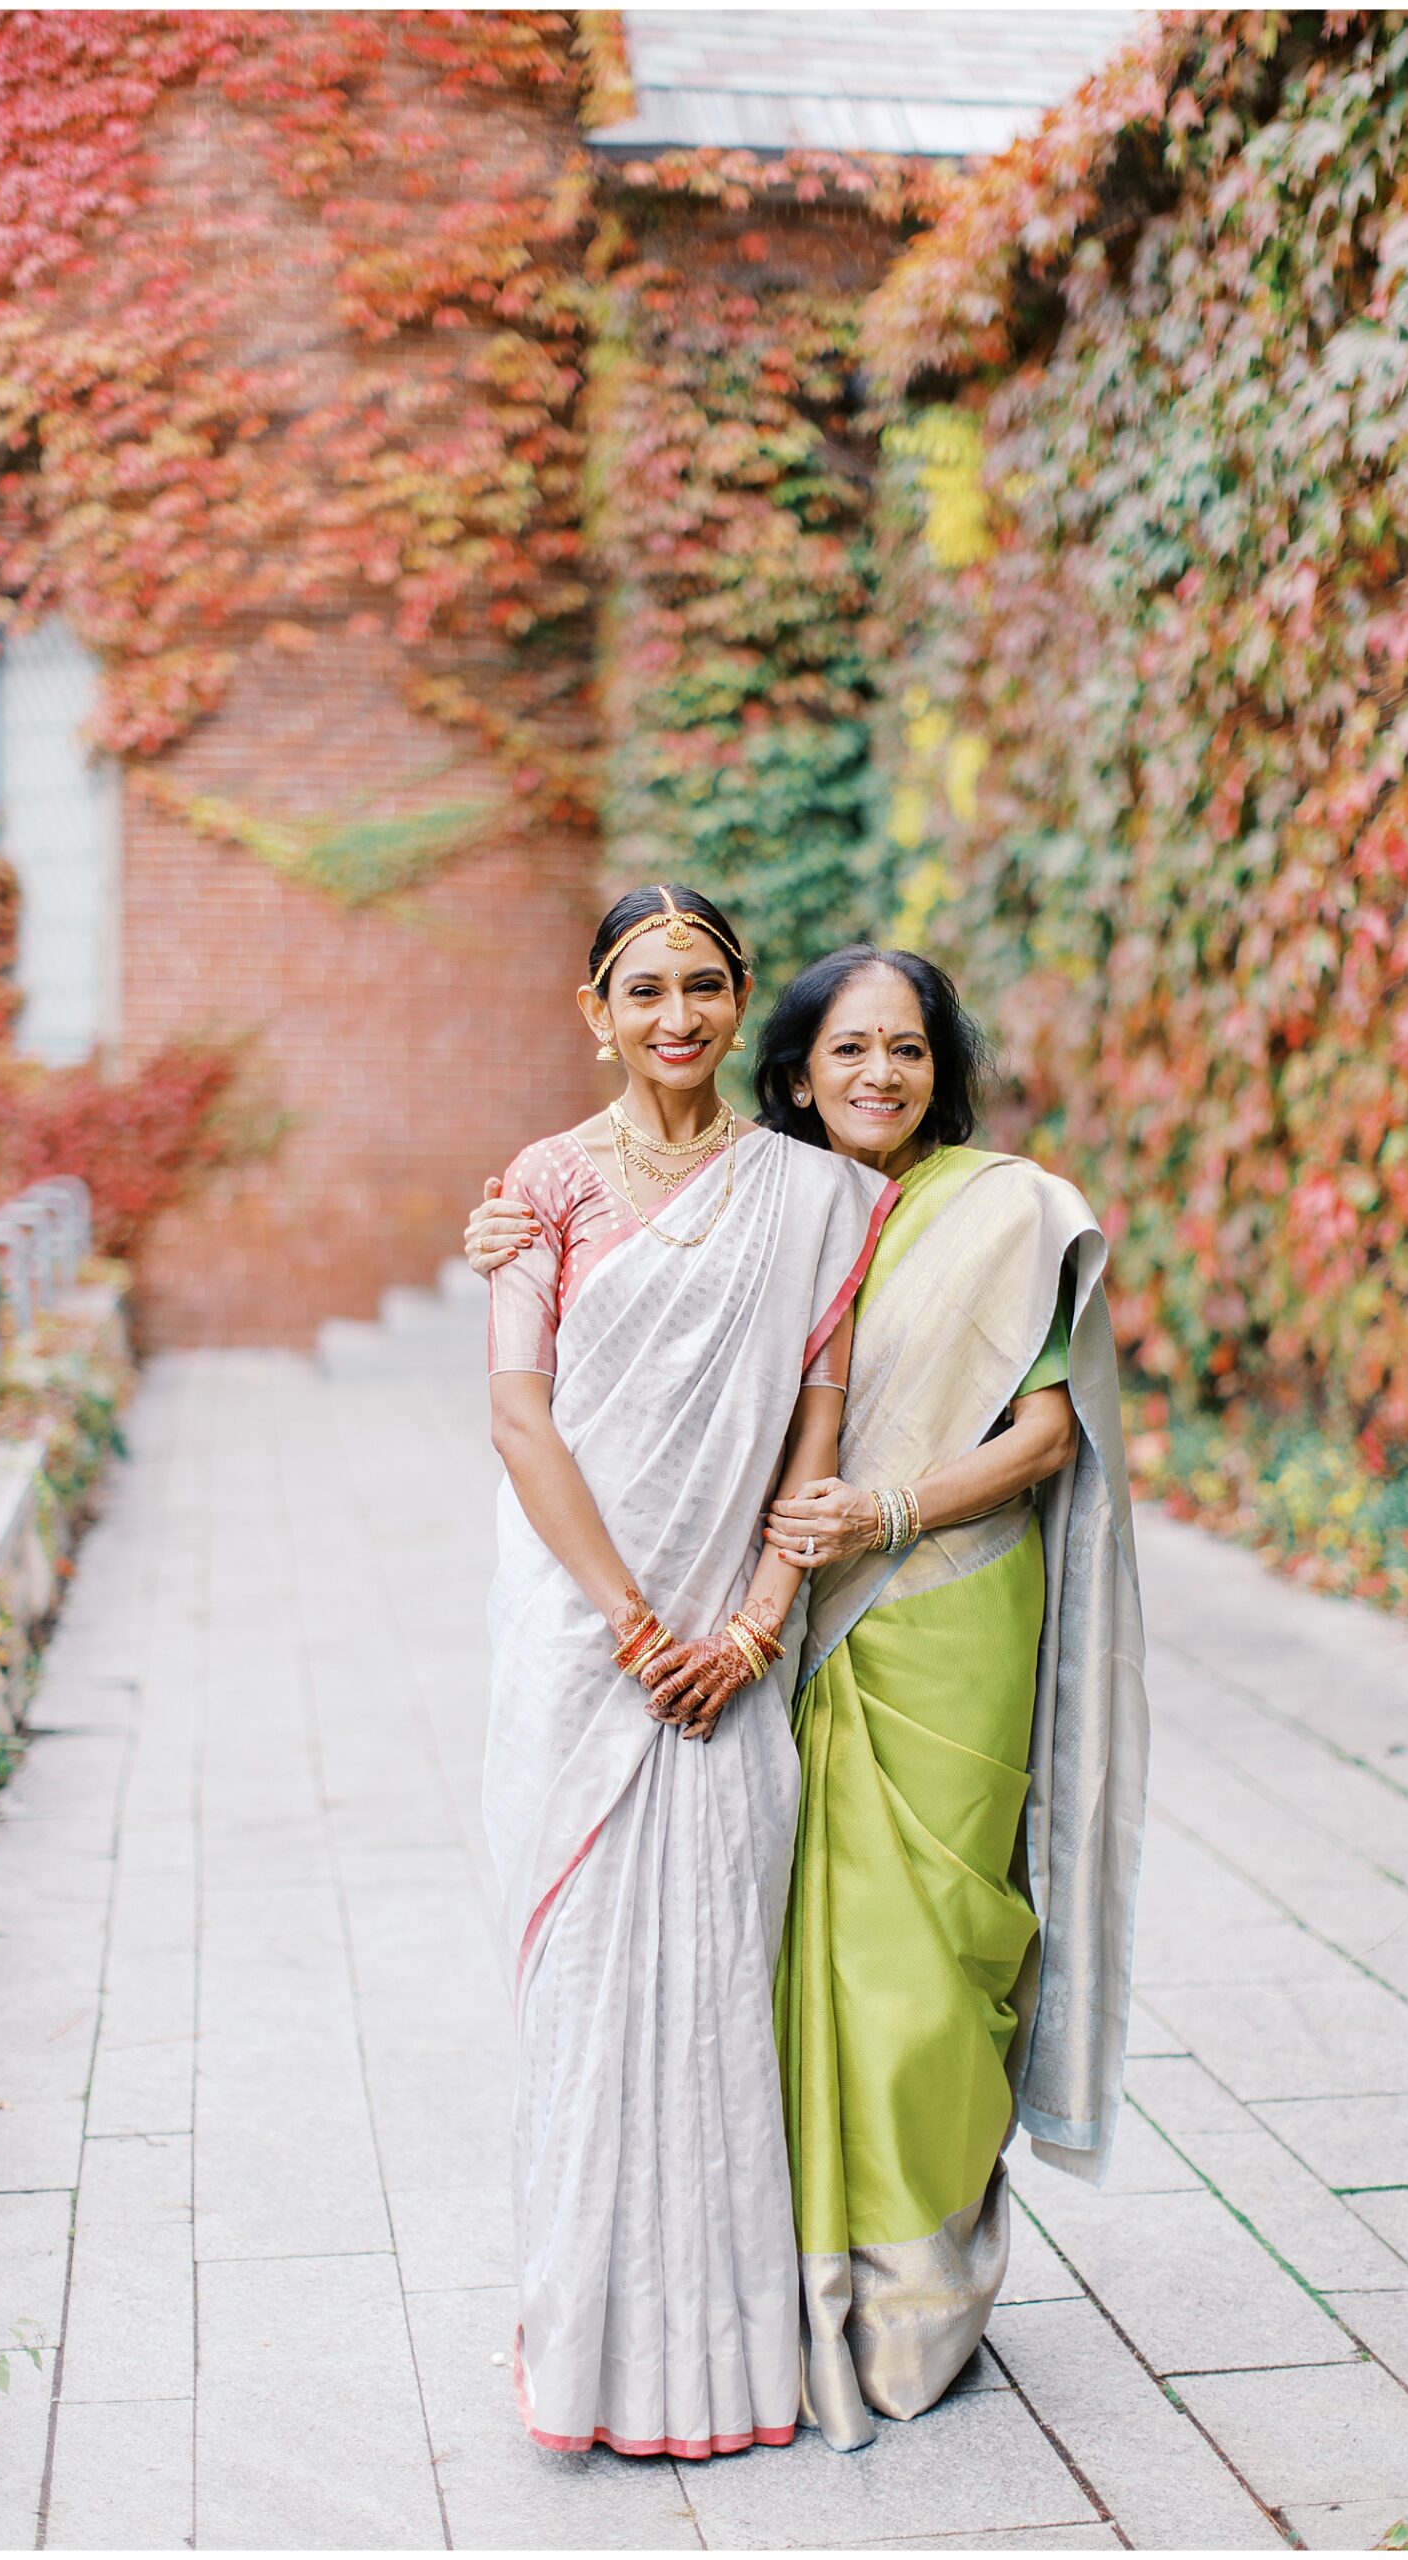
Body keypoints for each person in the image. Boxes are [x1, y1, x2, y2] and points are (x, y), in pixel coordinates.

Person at [468, 941, 1148, 2456]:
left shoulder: (1002, 1210)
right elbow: (615, 1287)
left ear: (939, 1065)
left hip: (934, 1616)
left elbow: (1044, 1437)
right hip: (758, 1632)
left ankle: (919, 2301)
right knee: (762, 1979)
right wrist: (511, 1231)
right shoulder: (763, 1196)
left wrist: (884, 1518)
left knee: (926, 1975)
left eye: (906, 1049)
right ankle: (773, 2295)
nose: (878, 1076)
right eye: (847, 1050)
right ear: (792, 1070)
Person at [480, 885, 894, 2462]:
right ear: (594, 1008)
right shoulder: (542, 1190)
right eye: (643, 990)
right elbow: (521, 1421)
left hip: (734, 1650)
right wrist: (635, 1628)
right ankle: (582, 2356)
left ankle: (724, 2370)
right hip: (591, 1648)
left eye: (705, 987)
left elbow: (816, 1424)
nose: (676, 1017)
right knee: (589, 1998)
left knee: (722, 1983)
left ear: (738, 1006)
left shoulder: (810, 1195)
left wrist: (753, 1628)